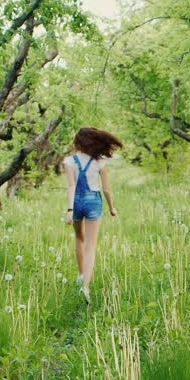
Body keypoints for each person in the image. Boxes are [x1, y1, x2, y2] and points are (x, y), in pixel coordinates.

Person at [63, 127, 122, 304]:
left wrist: (70, 210)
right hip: (94, 202)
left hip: (77, 203)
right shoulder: (100, 162)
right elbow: (107, 189)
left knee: (79, 238)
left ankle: (82, 275)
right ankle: (85, 286)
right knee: (91, 245)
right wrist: (112, 207)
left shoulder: (69, 161)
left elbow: (71, 186)